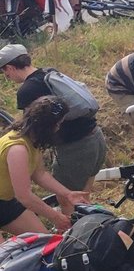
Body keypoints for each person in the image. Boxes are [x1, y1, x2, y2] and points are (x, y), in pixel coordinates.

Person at [2, 46, 107, 193]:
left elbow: (31, 129)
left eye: (5, 73)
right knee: (82, 195)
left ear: (10, 68)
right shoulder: (49, 72)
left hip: (75, 148)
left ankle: (72, 217)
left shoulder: (27, 90)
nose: (7, 77)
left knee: (67, 199)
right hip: (95, 138)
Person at [0, 98, 88, 234]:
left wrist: (67, 194)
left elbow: (40, 174)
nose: (59, 128)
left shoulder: (33, 140)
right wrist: (55, 216)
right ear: (47, 126)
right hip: (8, 200)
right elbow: (24, 196)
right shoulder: (18, 149)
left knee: (45, 243)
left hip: (6, 202)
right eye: (58, 124)